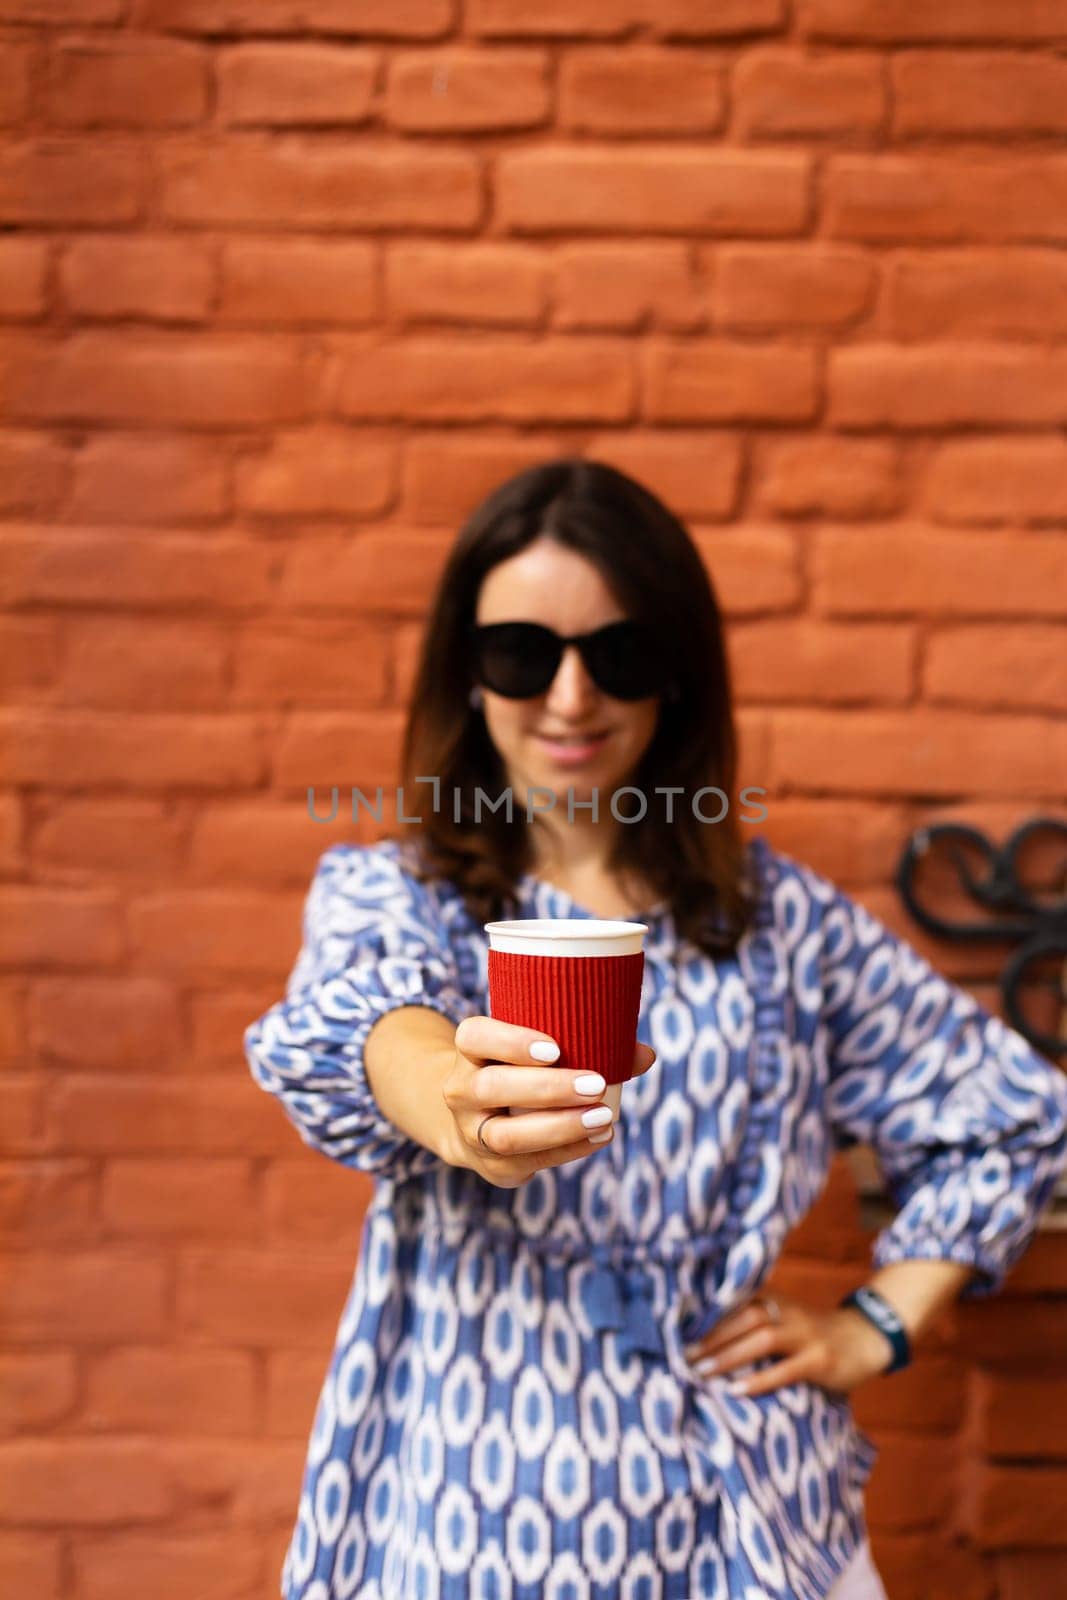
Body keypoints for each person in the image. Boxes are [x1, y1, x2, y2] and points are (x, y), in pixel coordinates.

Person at [244, 460, 1067, 1600]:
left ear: (674, 675)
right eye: (521, 653)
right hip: (466, 1516)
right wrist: (456, 1103)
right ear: (466, 679)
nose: (570, 698)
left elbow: (1011, 1115)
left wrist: (875, 1324)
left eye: (617, 654)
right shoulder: (405, 893)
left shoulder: (781, 925)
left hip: (746, 1525)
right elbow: (360, 1017)